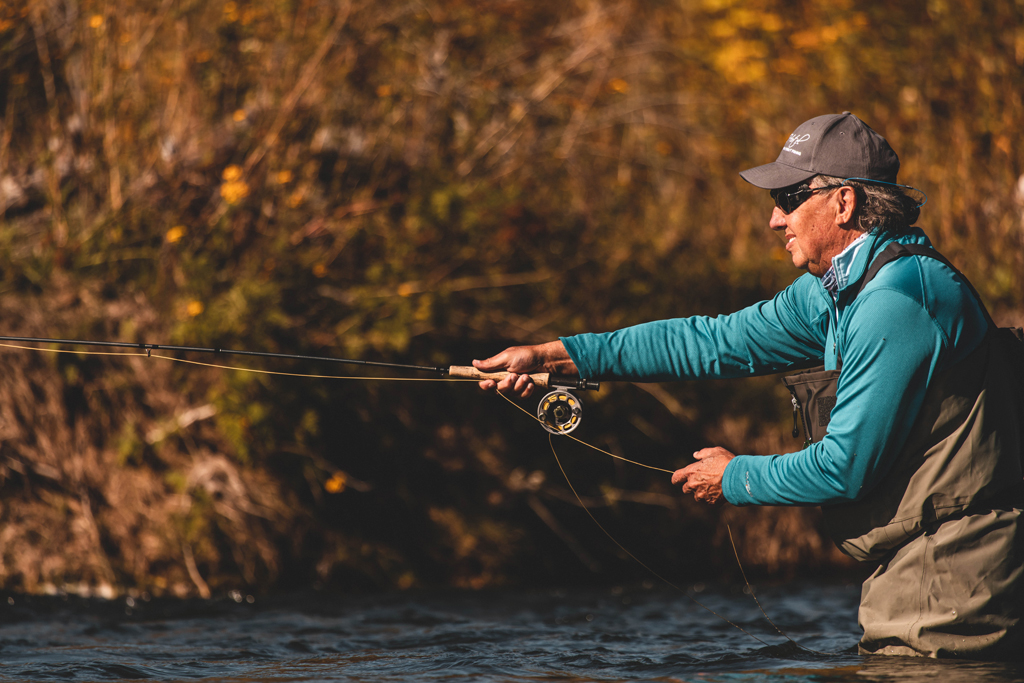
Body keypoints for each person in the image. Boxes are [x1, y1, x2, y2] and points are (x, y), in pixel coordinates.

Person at [474, 112, 1024, 660]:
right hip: (915, 574)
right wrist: (554, 356)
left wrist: (733, 477)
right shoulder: (839, 290)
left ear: (844, 202)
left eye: (788, 198)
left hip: (955, 586)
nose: (773, 219)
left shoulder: (898, 300)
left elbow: (844, 467)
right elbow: (711, 343)